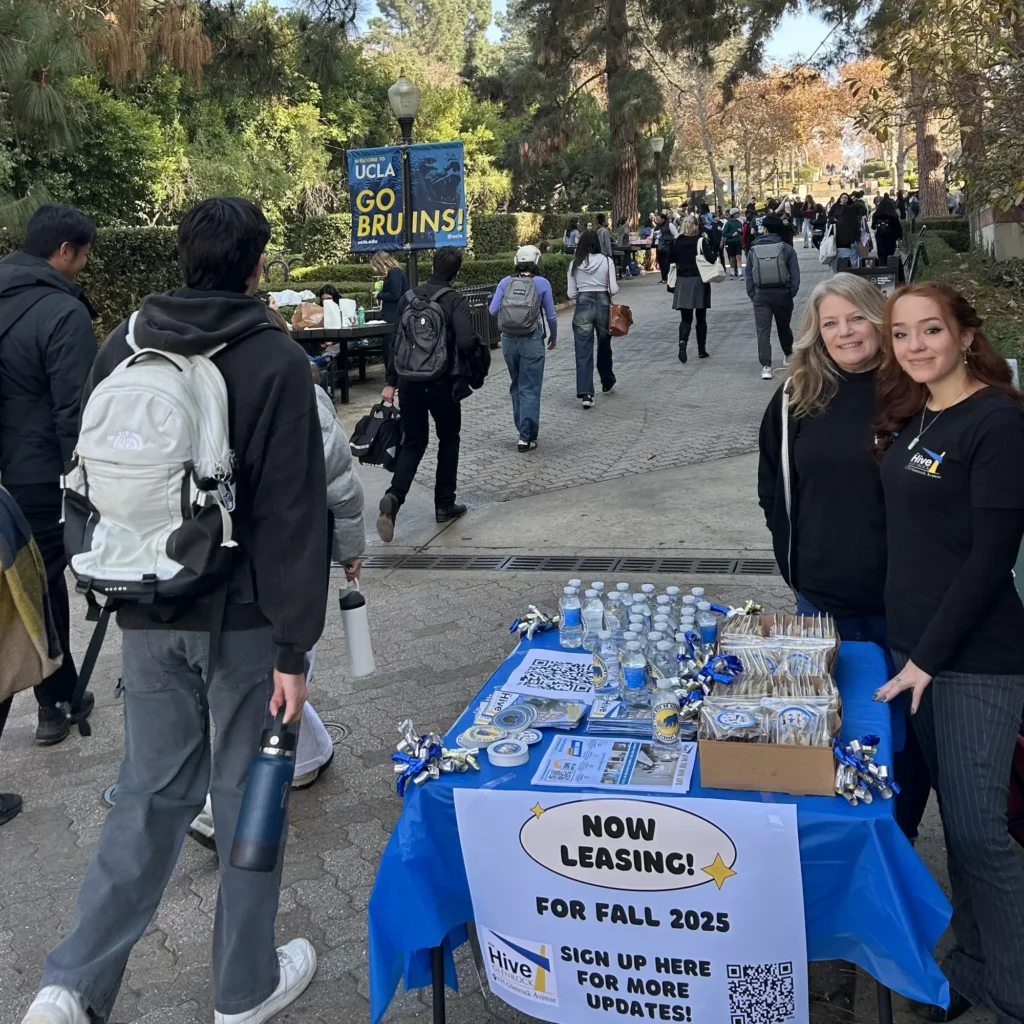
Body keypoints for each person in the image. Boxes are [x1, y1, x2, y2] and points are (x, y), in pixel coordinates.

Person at [21, 197, 326, 1024]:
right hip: (247, 621)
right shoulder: (274, 360)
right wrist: (296, 652)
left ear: (183, 257)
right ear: (257, 265)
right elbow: (296, 518)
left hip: (146, 608)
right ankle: (243, 987)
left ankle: (69, 987)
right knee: (248, 794)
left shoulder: (127, 340)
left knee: (148, 795)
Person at [873, 282, 1024, 1024]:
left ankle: (1017, 985)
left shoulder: (995, 421)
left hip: (972, 659)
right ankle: (973, 964)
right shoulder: (921, 412)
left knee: (978, 833)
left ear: (966, 334)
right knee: (960, 830)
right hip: (916, 652)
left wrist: (926, 660)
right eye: (902, 334)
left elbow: (991, 558)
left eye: (931, 330)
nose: (916, 346)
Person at [757, 273, 931, 841]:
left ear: (880, 320)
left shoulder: (918, 393)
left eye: (855, 317)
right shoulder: (795, 397)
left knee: (905, 741)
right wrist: (795, 563)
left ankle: (893, 843)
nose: (845, 332)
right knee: (828, 729)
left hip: (903, 605)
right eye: (830, 323)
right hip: (822, 603)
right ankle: (843, 847)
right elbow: (772, 485)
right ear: (815, 332)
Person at [0, 204, 98, 746]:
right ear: (64, 252)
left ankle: (58, 694)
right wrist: (84, 478)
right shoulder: (62, 314)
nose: (83, 266)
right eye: (83, 256)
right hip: (35, 475)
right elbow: (73, 412)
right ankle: (53, 702)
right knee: (38, 582)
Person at [376, 247, 477, 541]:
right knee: (449, 438)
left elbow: (399, 342)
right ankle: (444, 503)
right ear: (456, 273)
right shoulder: (453, 300)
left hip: (409, 382)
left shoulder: (409, 298)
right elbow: (467, 339)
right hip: (442, 383)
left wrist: (392, 382)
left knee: (413, 443)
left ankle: (394, 498)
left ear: (431, 264)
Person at [488, 245, 558, 452]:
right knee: (530, 388)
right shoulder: (542, 283)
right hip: (532, 340)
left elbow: (493, 310)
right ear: (537, 261)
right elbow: (552, 316)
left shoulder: (505, 282)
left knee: (517, 385)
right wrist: (553, 337)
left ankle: (521, 431)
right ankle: (526, 436)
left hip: (509, 342)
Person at [567, 229, 617, 409]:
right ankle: (607, 381)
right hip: (603, 304)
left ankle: (586, 393)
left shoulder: (574, 264)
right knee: (604, 345)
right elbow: (614, 288)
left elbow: (571, 293)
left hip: (582, 305)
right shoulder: (606, 261)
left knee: (582, 349)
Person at [746, 213, 801, 380]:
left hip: (761, 295)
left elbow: (749, 275)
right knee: (784, 326)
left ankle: (766, 366)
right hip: (782, 293)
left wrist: (753, 294)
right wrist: (791, 292)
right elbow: (795, 275)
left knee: (763, 331)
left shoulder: (753, 249)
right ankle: (788, 355)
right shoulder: (787, 249)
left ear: (765, 229)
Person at [671, 214, 714, 363]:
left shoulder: (677, 242)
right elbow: (712, 258)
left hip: (683, 281)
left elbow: (671, 259)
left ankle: (683, 342)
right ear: (696, 226)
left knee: (686, 318)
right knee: (701, 318)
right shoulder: (700, 241)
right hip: (699, 280)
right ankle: (701, 350)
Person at [371, 251, 408, 324]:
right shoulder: (395, 272)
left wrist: (379, 295)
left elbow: (395, 294)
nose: (377, 269)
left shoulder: (394, 272)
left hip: (394, 314)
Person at [829, 193, 863, 269]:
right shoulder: (836, 206)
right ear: (840, 198)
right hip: (838, 228)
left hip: (847, 231)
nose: (844, 199)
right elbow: (829, 215)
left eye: (846, 198)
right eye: (843, 197)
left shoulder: (850, 208)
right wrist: (834, 220)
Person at [871, 196, 904, 265]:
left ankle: (882, 267)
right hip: (891, 237)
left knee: (881, 254)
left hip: (880, 237)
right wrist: (900, 237)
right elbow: (897, 227)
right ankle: (891, 268)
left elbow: (873, 226)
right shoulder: (893, 215)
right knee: (890, 253)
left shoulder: (876, 215)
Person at [722, 208, 743, 277]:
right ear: (733, 214)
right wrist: (731, 235)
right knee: (732, 258)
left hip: (738, 242)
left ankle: (740, 272)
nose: (739, 214)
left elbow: (742, 233)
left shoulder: (739, 222)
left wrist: (741, 231)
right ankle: (732, 272)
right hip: (730, 242)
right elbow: (724, 233)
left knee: (739, 256)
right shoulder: (728, 223)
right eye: (737, 213)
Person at [655, 212, 674, 283]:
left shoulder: (669, 225)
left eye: (658, 218)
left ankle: (669, 278)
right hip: (659, 246)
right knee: (661, 263)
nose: (657, 220)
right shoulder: (657, 227)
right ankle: (664, 278)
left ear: (663, 219)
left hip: (667, 246)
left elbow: (675, 234)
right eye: (656, 218)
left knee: (667, 263)